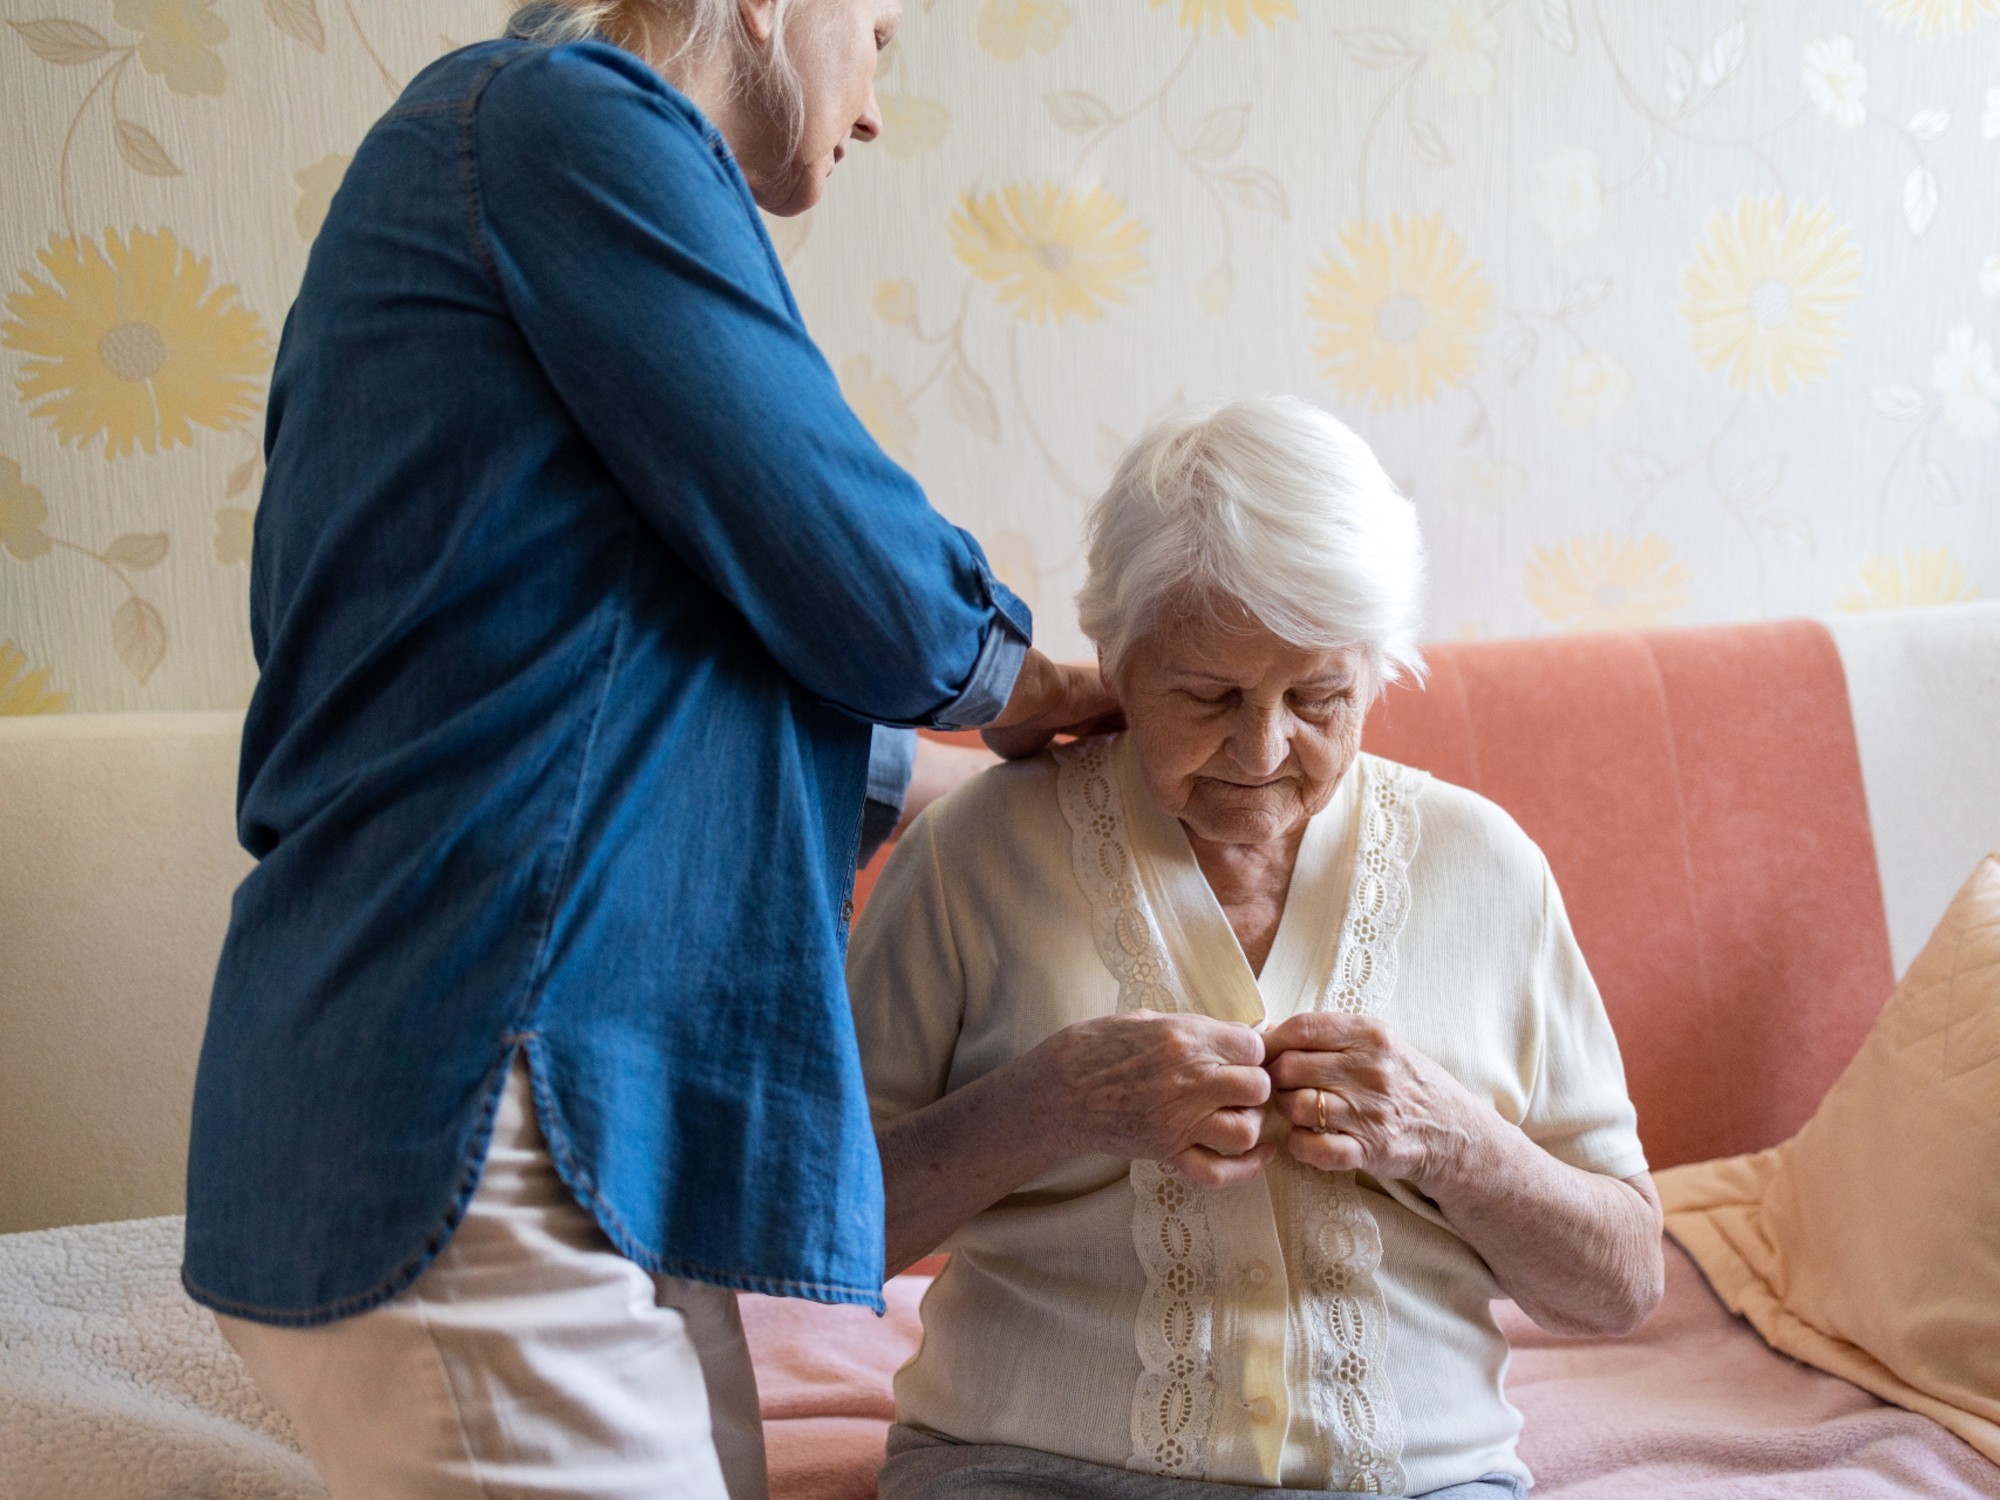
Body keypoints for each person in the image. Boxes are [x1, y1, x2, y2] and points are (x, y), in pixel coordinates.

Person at [179, 2, 1112, 1497]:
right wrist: (1022, 678)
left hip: (534, 1133)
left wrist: (1025, 785)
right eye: (875, 35)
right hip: (478, 1116)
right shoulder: (560, 118)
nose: (873, 107)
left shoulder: (499, 177)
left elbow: (619, 685)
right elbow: (835, 543)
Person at [848, 396, 1665, 1500]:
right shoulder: (970, 853)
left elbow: (1619, 1283)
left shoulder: (1485, 867)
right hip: (1027, 1469)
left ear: (1375, 671)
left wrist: (1446, 1138)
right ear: (1116, 661)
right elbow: (819, 1233)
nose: (1263, 745)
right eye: (1207, 694)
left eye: (1319, 695)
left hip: (1418, 1483)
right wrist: (1049, 1103)